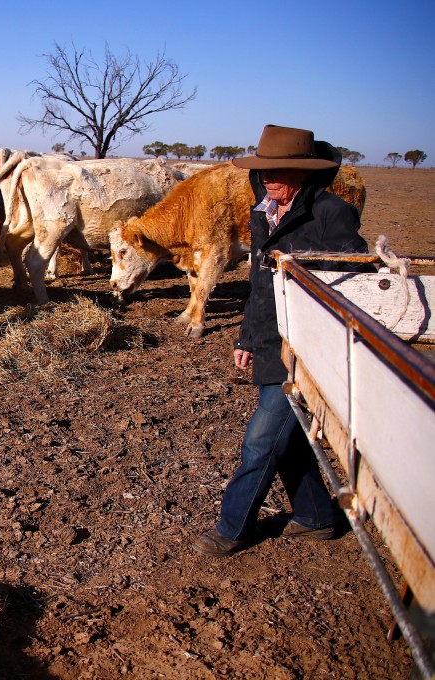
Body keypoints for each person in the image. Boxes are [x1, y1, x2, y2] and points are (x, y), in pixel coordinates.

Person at [193, 124, 369, 557]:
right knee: (284, 438)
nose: (268, 178)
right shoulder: (263, 212)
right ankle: (316, 517)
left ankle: (232, 529)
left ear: (304, 173)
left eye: (279, 171)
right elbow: (259, 282)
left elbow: (356, 279)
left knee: (260, 441)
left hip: (310, 348)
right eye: (264, 170)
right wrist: (247, 338)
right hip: (273, 341)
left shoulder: (330, 213)